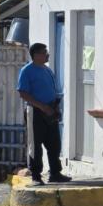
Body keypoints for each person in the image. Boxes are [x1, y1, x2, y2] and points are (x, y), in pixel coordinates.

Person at [17, 43, 71, 185]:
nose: (47, 54)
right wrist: (42, 107)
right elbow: (23, 93)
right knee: (35, 145)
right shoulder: (27, 71)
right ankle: (36, 176)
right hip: (35, 112)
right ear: (35, 55)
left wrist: (55, 108)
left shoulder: (47, 70)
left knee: (54, 144)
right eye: (44, 52)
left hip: (51, 111)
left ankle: (55, 173)